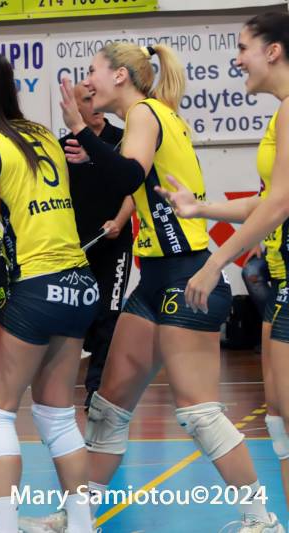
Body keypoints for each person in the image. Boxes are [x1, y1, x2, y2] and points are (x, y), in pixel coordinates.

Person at [54, 41, 283, 531]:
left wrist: (79, 127)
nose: (87, 81)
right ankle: (78, 516)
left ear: (120, 76)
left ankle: (259, 518)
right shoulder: (149, 116)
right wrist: (89, 151)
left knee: (199, 413)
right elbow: (122, 180)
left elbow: (128, 175)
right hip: (155, 279)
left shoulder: (144, 113)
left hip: (188, 276)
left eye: (93, 70)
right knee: (108, 406)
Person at [156, 11, 289, 520]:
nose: (236, 59)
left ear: (273, 51)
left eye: (242, 47)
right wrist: (201, 209)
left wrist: (214, 262)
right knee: (278, 420)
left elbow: (279, 206)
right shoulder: (279, 115)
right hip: (281, 279)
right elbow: (269, 199)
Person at [0, 52, 99, 533]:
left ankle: (3, 525)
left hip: (36, 287)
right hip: (79, 284)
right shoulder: (41, 135)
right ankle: (81, 524)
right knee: (57, 416)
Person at [58, 84, 135, 408]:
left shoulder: (123, 139)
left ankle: (96, 390)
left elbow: (135, 189)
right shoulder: (63, 148)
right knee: (78, 317)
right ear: (73, 108)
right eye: (87, 100)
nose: (96, 104)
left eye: (96, 97)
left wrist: (118, 221)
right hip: (78, 248)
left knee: (109, 314)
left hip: (116, 244)